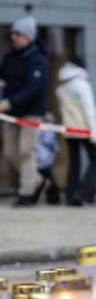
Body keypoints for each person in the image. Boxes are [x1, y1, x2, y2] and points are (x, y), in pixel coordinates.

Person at [0, 11, 48, 206]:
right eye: (13, 33)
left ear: (28, 36)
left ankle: (26, 193)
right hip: (10, 114)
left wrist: (9, 103)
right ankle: (38, 180)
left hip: (31, 112)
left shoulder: (38, 60)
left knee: (25, 151)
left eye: (18, 34)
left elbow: (34, 89)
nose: (13, 37)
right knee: (10, 153)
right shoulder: (9, 57)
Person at [56, 57, 96, 205]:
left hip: (69, 129)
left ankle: (71, 195)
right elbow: (89, 110)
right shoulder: (82, 85)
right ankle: (86, 192)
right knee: (94, 159)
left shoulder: (62, 87)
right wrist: (94, 132)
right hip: (84, 129)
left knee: (75, 162)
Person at [34, 114, 61, 205]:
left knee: (42, 178)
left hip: (41, 155)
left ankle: (52, 198)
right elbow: (50, 140)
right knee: (45, 178)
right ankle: (53, 198)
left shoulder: (44, 124)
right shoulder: (46, 124)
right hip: (43, 155)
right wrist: (56, 148)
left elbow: (49, 140)